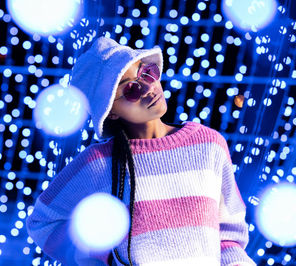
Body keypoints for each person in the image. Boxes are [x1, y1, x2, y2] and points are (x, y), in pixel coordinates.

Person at [26, 37, 256, 266]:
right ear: (111, 111)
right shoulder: (99, 162)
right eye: (131, 89)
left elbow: (228, 235)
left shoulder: (209, 145)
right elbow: (43, 222)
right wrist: (104, 259)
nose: (148, 88)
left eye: (147, 73)